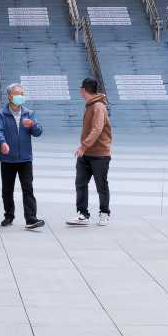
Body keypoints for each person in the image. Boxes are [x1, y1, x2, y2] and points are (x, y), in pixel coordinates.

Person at [0, 83, 45, 230]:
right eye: (18, 94)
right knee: (7, 190)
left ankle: (31, 219)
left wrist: (32, 125)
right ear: (10, 96)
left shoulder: (29, 113)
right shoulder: (2, 114)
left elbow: (39, 132)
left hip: (25, 158)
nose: (21, 96)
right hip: (8, 159)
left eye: (22, 93)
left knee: (28, 188)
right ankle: (9, 215)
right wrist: (2, 143)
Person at [70, 78, 112, 226]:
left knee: (101, 185)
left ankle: (104, 212)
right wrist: (85, 148)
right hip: (86, 154)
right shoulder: (90, 105)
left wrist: (84, 146)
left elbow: (97, 128)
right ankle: (82, 214)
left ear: (83, 90)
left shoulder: (98, 106)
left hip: (100, 154)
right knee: (80, 183)